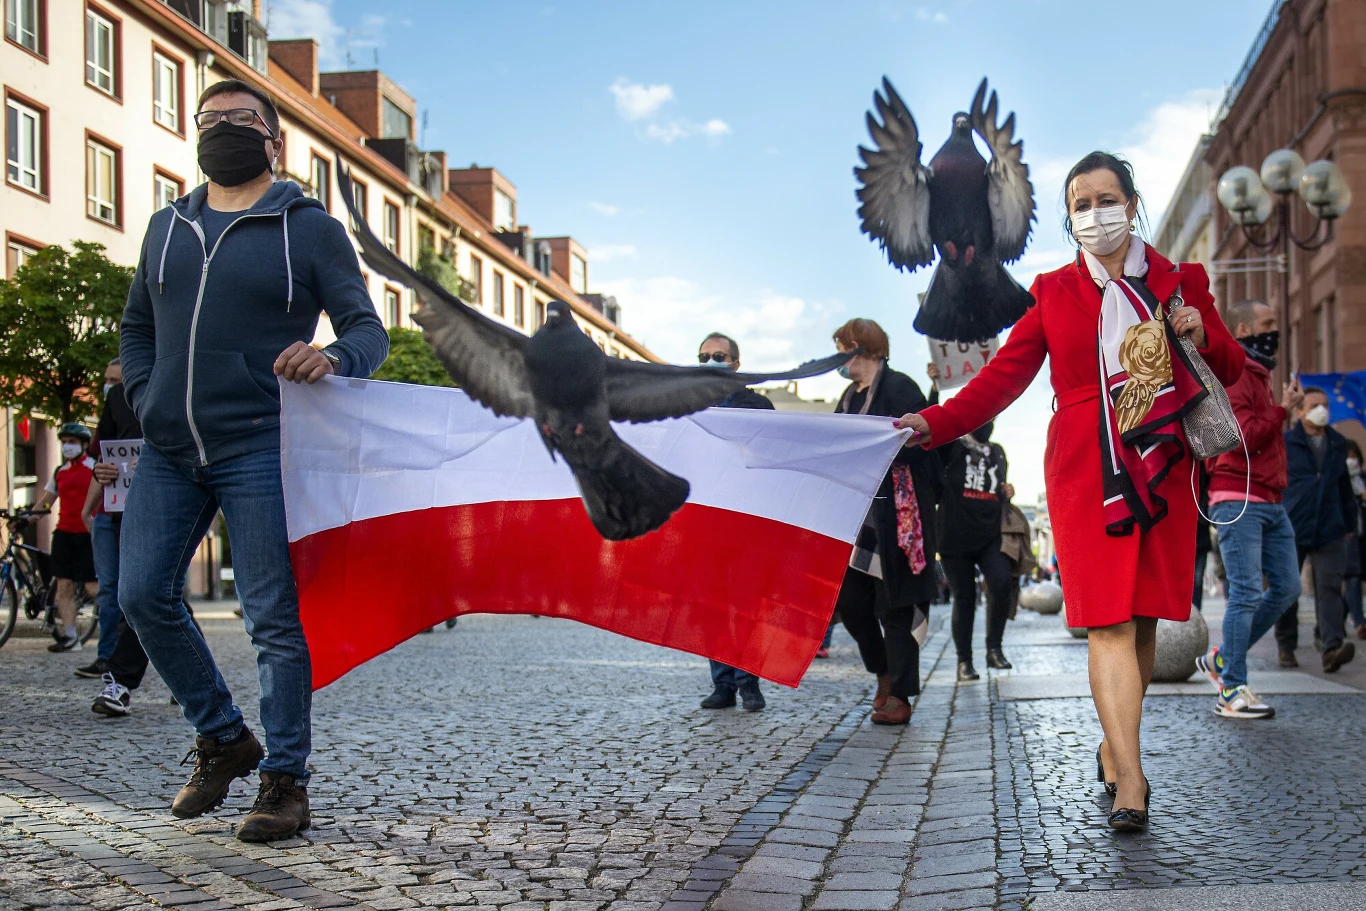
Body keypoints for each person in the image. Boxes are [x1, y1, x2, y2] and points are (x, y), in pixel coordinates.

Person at [897, 152, 1243, 830]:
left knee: (1144, 619)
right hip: (1087, 468)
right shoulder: (1052, 291)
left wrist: (1201, 331)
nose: (1094, 214)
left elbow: (1231, 366)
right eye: (1080, 204)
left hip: (1161, 459)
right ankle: (1132, 778)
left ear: (1132, 204)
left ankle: (1116, 744)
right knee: (1109, 619)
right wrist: (933, 423)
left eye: (1106, 199)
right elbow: (1001, 379)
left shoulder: (1181, 281)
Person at [118, 79, 388, 842]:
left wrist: (332, 357)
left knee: (271, 616)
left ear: (273, 140)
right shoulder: (166, 227)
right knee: (141, 594)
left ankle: (285, 781)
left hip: (260, 443)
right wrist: (145, 393)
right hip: (169, 447)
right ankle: (223, 736)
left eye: (241, 119)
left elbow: (367, 331)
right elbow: (137, 328)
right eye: (209, 119)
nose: (222, 128)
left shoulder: (310, 228)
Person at [1192, 299, 1302, 719]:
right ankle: (1231, 688)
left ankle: (1223, 658)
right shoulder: (1236, 373)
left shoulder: (1259, 374)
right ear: (1243, 329)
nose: (1275, 329)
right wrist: (1282, 411)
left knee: (1288, 587)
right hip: (1238, 498)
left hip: (1270, 498)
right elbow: (1240, 436)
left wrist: (1279, 407)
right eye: (1267, 322)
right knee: (1245, 593)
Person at [832, 318, 941, 726]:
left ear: (864, 348)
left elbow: (925, 443)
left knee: (896, 604)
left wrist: (881, 446)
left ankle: (900, 694)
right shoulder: (847, 397)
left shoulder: (900, 387)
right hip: (858, 516)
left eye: (844, 348)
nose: (840, 358)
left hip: (899, 513)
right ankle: (883, 671)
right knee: (850, 602)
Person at [695, 332, 774, 713]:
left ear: (736, 364)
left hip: (746, 516)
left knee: (745, 603)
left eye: (719, 355)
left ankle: (748, 681)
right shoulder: (689, 404)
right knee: (712, 605)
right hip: (705, 516)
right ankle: (722, 684)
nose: (711, 361)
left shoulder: (757, 405)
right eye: (704, 356)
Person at [926, 362, 1016, 680]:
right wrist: (935, 387)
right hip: (954, 535)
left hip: (990, 533)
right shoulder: (953, 446)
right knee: (964, 597)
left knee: (1001, 583)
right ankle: (964, 661)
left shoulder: (998, 452)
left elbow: (996, 486)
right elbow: (932, 427)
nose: (987, 421)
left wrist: (1006, 491)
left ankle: (994, 649)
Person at [1274, 388, 1357, 672]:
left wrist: (1349, 523)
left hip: (1330, 527)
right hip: (1292, 525)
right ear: (1299, 412)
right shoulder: (1287, 442)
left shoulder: (1337, 443)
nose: (1321, 410)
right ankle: (1286, 646)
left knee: (1330, 588)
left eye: (1325, 405)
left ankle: (1331, 647)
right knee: (1288, 588)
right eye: (1313, 406)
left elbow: (1344, 487)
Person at [73, 359, 134, 677]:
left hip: (136, 513)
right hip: (107, 516)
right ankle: (106, 658)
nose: (109, 386)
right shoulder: (112, 408)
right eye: (107, 379)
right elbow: (103, 464)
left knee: (141, 590)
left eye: (116, 380)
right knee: (108, 589)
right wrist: (88, 509)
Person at [30, 422, 99, 652]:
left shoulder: (94, 467)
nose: (67, 446)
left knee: (93, 587)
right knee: (64, 586)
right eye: (64, 442)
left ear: (84, 445)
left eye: (72, 442)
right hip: (63, 534)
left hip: (88, 535)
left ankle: (119, 629)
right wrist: (27, 519)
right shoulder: (60, 471)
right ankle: (71, 637)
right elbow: (46, 501)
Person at [1345, 439, 1365, 640]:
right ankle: (1360, 622)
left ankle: (1335, 622)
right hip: (1346, 535)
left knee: (1355, 578)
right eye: (1348, 457)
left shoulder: (1362, 479)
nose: (1352, 461)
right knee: (1353, 577)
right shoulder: (1340, 481)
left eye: (1354, 457)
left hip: (1362, 536)